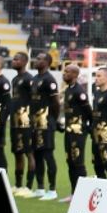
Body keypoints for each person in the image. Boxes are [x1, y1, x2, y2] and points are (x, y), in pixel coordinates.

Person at [29, 53, 61, 200]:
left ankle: (52, 190)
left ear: (47, 62)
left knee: (48, 155)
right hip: (35, 124)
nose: (36, 60)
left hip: (46, 123)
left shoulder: (49, 80)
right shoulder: (35, 79)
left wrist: (52, 119)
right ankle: (40, 188)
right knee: (37, 155)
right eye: (36, 58)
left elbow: (56, 103)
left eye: (39, 59)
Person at [60, 62, 91, 199]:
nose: (64, 74)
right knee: (70, 162)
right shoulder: (68, 90)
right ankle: (74, 193)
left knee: (77, 162)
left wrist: (86, 128)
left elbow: (88, 112)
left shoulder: (79, 91)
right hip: (69, 131)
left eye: (67, 71)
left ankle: (82, 195)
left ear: (74, 74)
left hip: (78, 133)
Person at [8, 52, 36, 196]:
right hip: (15, 121)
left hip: (26, 122)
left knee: (29, 153)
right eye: (13, 59)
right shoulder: (14, 79)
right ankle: (18, 185)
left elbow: (34, 100)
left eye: (17, 59)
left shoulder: (29, 79)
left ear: (24, 62)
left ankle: (29, 187)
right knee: (17, 153)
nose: (13, 61)